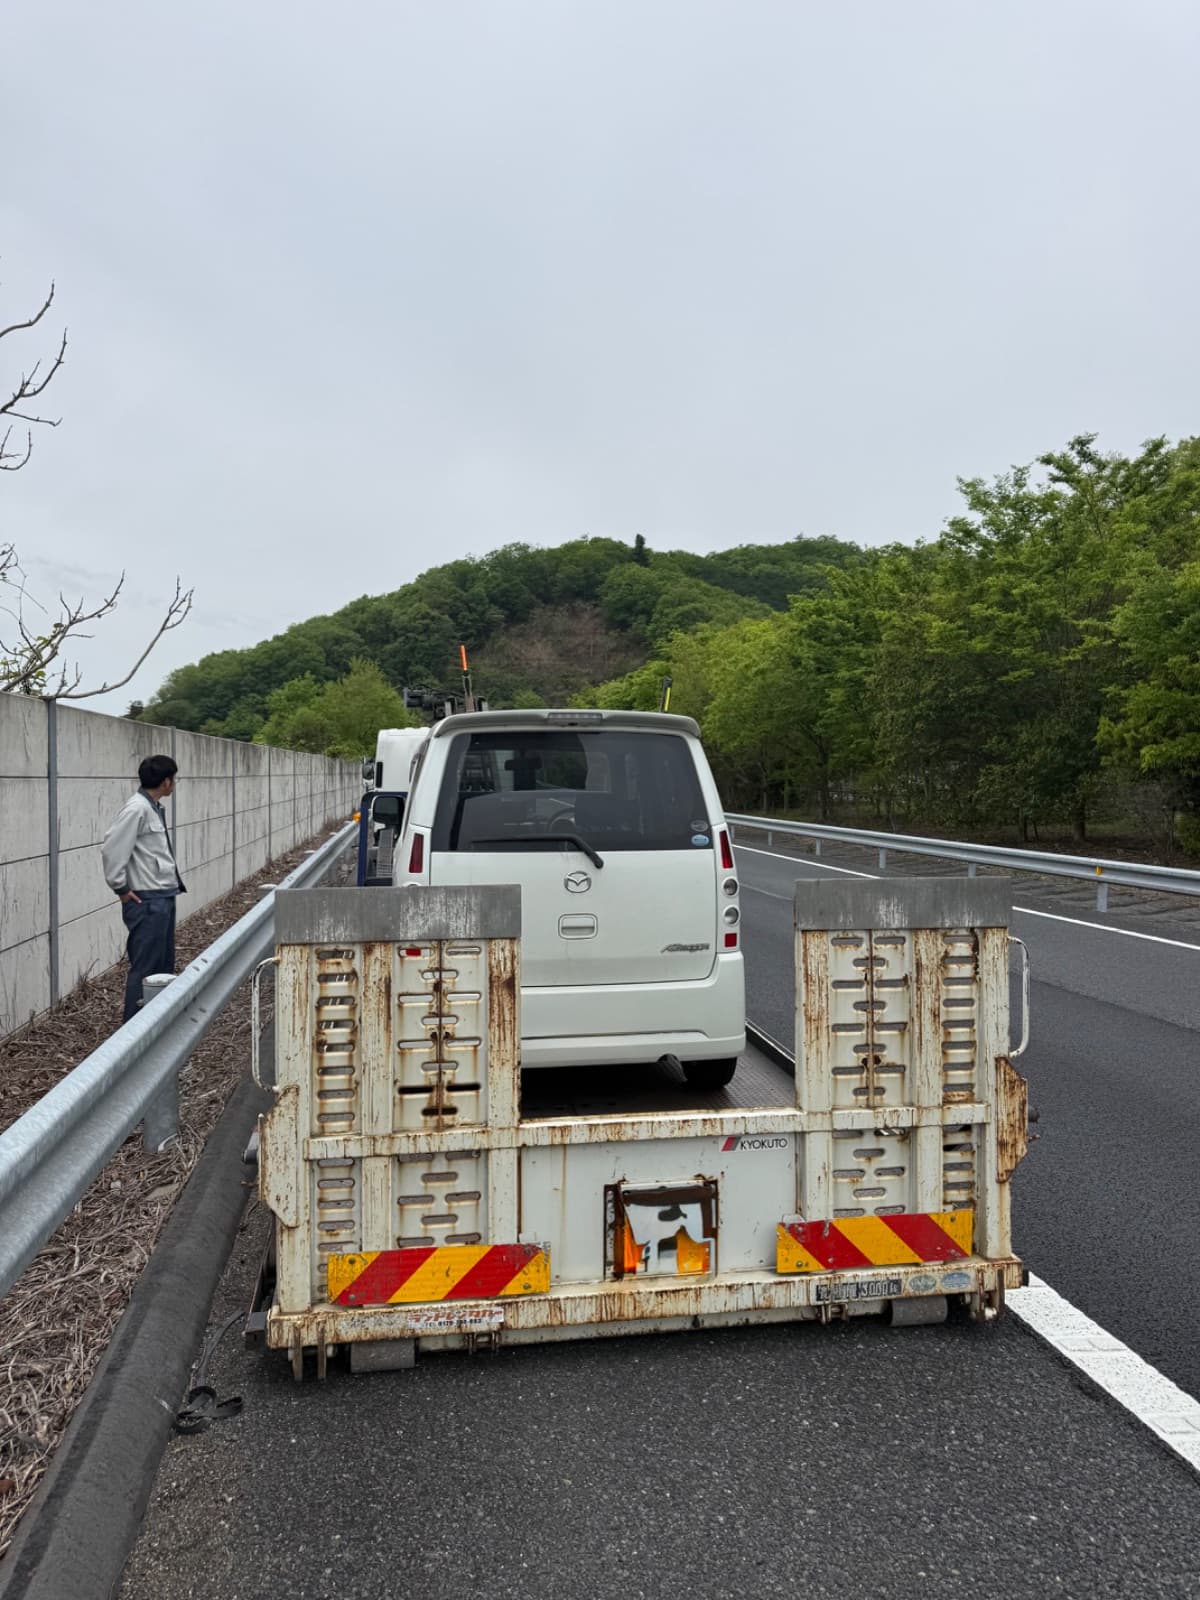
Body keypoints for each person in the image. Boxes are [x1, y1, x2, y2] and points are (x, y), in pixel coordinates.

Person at [101, 754, 186, 1023]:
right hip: (147, 901)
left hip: (161, 896)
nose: (174, 784)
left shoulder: (151, 808)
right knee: (146, 969)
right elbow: (112, 848)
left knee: (162, 969)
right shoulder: (136, 809)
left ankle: (157, 1027)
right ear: (166, 781)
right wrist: (121, 888)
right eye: (174, 779)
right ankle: (134, 1032)